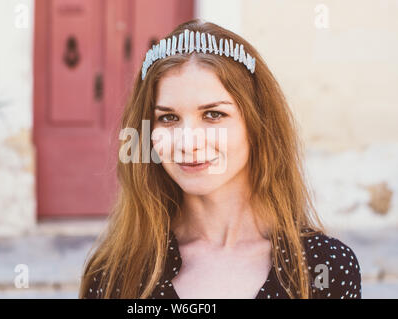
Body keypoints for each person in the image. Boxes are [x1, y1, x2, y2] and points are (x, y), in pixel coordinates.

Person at [79, 18, 361, 299]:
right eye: (168, 118)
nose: (188, 142)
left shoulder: (325, 267)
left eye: (213, 114)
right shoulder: (115, 275)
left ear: (257, 124)